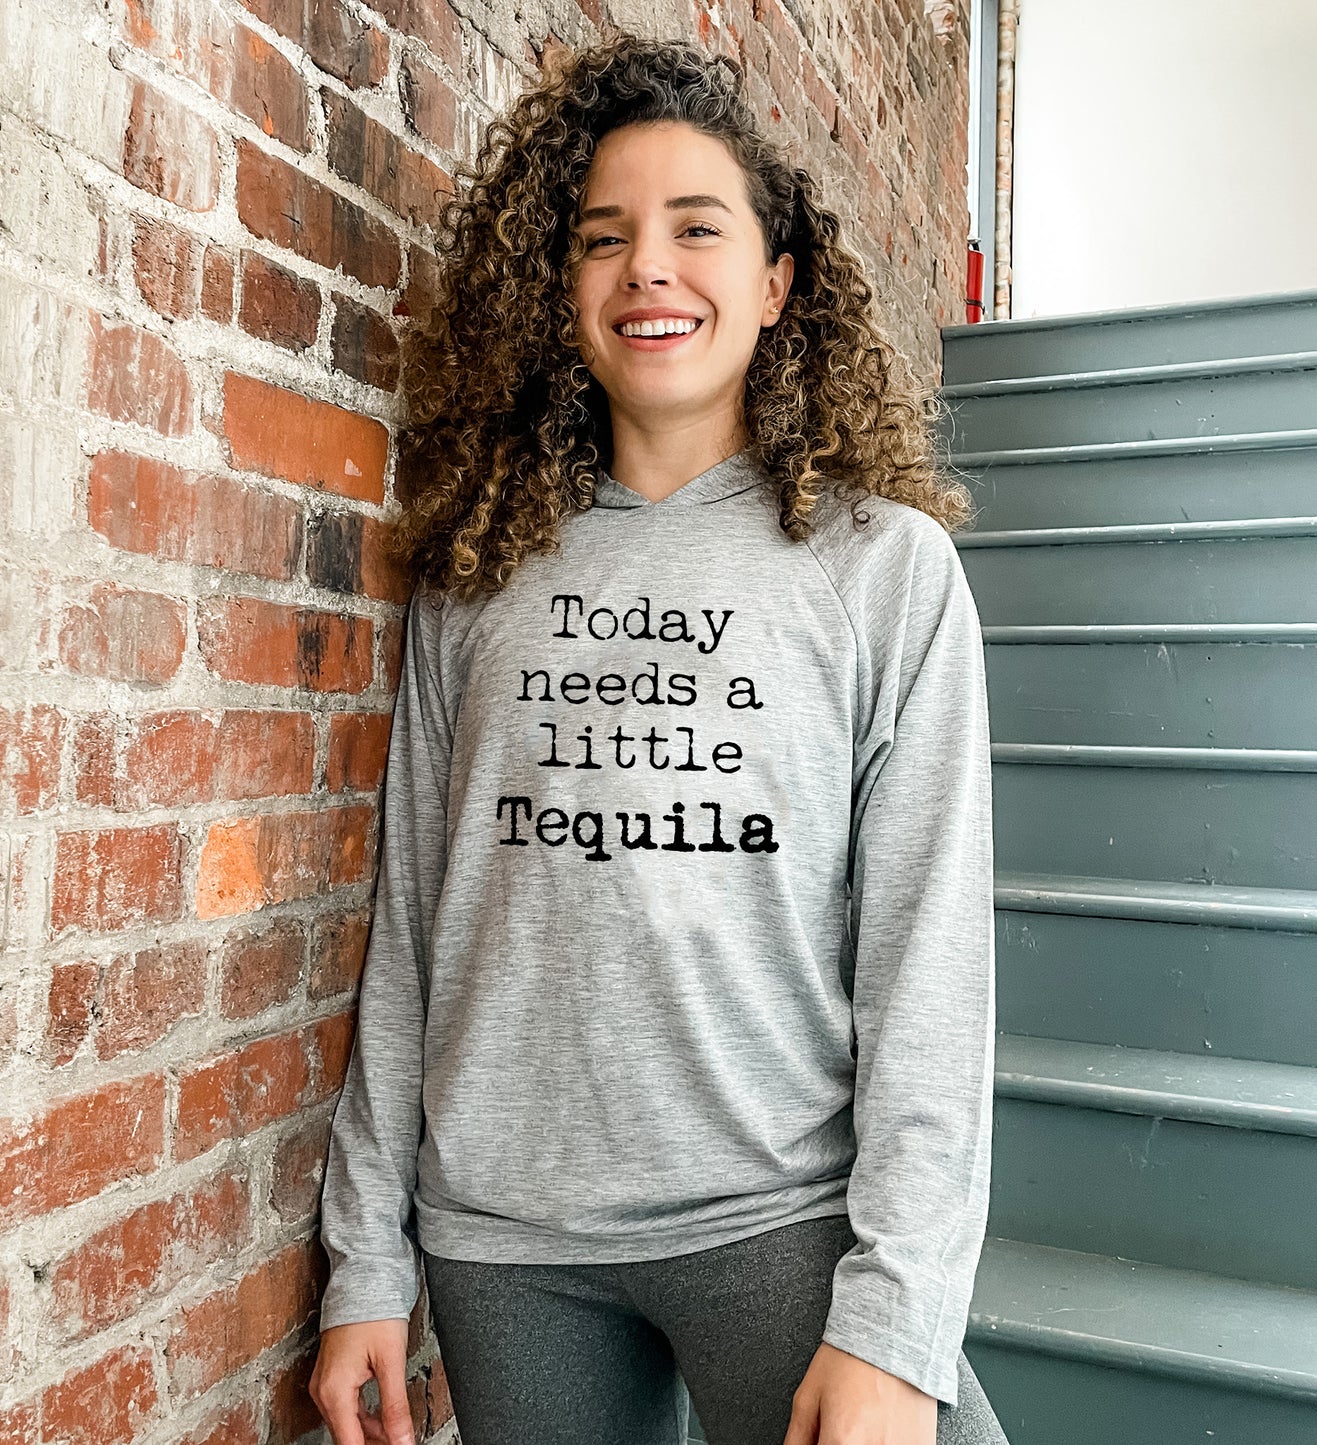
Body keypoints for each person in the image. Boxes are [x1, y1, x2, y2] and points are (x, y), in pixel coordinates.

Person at [309, 30, 1008, 1445]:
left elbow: (930, 959)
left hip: (779, 1218)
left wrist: (896, 1310)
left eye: (697, 228)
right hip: (509, 1244)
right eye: (602, 237)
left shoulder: (882, 568)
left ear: (774, 282)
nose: (648, 269)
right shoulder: (477, 572)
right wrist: (365, 1259)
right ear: (559, 288)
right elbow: (415, 927)